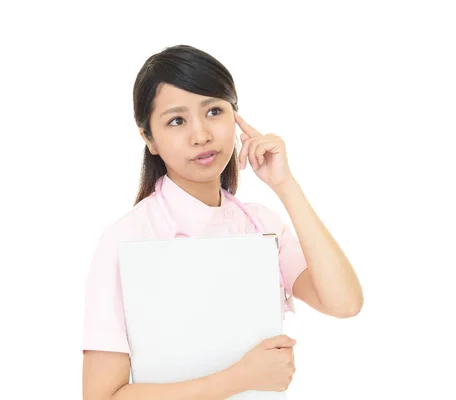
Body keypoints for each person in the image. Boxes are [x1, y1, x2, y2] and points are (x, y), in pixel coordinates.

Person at [81, 44, 363, 399]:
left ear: (236, 116)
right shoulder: (126, 239)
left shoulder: (262, 225)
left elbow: (344, 302)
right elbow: (101, 397)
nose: (201, 135)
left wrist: (285, 185)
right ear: (148, 139)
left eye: (214, 111)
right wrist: (240, 378)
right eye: (177, 120)